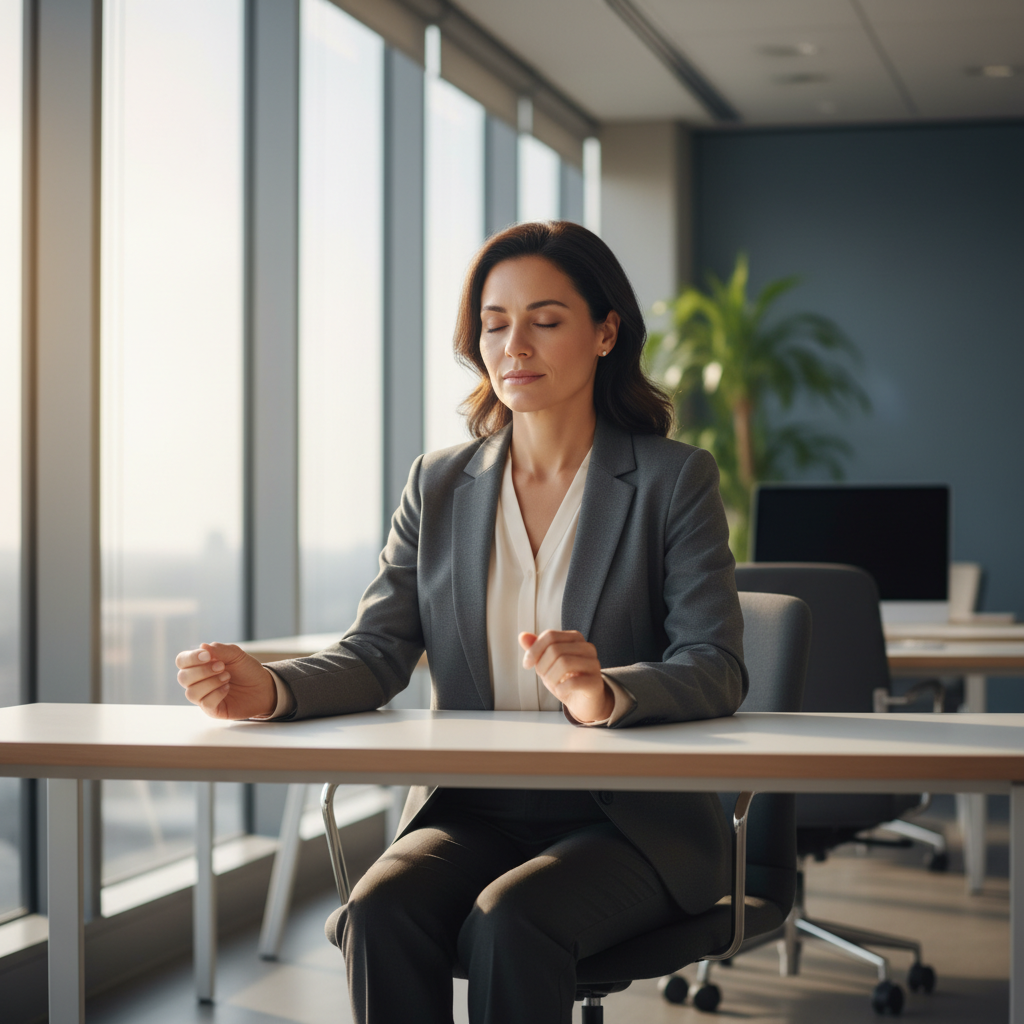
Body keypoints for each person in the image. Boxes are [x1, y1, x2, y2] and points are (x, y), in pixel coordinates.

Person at [176, 221, 747, 1024]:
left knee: (514, 920)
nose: (516, 343)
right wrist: (268, 690)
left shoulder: (671, 479)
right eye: (494, 322)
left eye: (546, 320)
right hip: (474, 809)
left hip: (626, 821)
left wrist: (604, 693)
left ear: (606, 331)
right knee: (377, 912)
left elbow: (715, 662)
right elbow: (377, 651)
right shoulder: (438, 484)